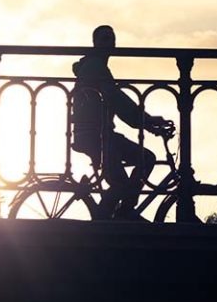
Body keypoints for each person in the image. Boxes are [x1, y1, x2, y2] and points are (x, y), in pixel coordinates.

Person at [71, 25, 174, 220]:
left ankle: (125, 211)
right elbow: (117, 100)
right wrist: (147, 121)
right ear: (94, 43)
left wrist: (148, 123)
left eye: (111, 39)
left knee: (146, 159)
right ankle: (102, 224)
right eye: (104, 39)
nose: (109, 43)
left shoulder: (96, 66)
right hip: (96, 135)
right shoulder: (95, 66)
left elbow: (117, 102)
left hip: (101, 134)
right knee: (120, 184)